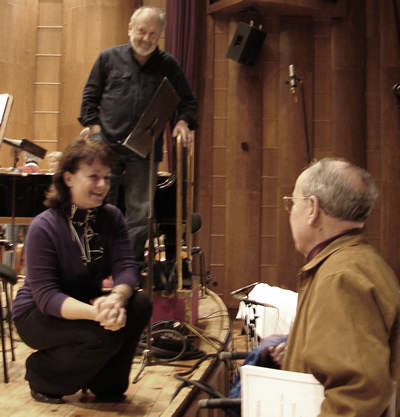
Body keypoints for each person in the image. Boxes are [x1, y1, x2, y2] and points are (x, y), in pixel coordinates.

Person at [12, 137, 152, 404]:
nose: (102, 186)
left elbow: (126, 268)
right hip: (38, 314)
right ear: (68, 179)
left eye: (107, 178)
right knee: (101, 333)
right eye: (93, 177)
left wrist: (116, 299)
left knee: (140, 305)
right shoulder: (44, 226)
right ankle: (42, 375)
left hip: (87, 305)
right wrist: (96, 313)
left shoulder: (112, 217)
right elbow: (46, 296)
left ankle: (105, 382)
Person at [273, 157, 400, 416]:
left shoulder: (341, 277)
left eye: (292, 203)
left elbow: (356, 395)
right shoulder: (355, 261)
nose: (290, 213)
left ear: (312, 208)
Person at [78, 6, 197, 266]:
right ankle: (98, 266)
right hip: (105, 148)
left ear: (160, 35)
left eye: (153, 34)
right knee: (98, 207)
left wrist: (183, 122)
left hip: (144, 151)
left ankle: (126, 267)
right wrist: (96, 132)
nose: (146, 38)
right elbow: (89, 99)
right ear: (130, 28)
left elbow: (188, 102)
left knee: (140, 214)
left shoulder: (168, 65)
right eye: (141, 31)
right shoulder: (108, 58)